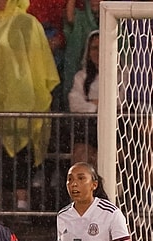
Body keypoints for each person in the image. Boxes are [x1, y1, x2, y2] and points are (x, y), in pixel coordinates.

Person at [0, 0, 60, 211]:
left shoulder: (28, 24)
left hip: (24, 99)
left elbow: (39, 61)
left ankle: (22, 201)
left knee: (22, 150)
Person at [68, 30, 100, 166]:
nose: (98, 52)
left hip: (116, 130)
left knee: (103, 159)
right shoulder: (81, 76)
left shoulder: (124, 74)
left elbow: (122, 102)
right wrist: (96, 107)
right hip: (89, 128)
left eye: (101, 48)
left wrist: (92, 103)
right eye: (94, 48)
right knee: (82, 157)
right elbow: (74, 104)